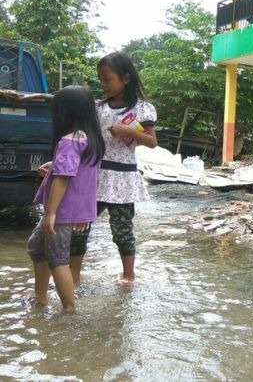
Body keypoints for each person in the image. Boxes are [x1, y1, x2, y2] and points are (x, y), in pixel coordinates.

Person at [69, 52, 158, 285]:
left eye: (107, 79)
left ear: (126, 78)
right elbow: (87, 139)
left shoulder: (142, 108)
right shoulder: (99, 109)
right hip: (95, 175)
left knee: (122, 230)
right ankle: (73, 275)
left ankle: (129, 276)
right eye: (101, 79)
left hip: (123, 179)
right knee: (80, 225)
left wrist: (129, 131)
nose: (103, 84)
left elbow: (151, 142)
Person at [27, 85, 105, 310]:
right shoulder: (90, 140)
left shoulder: (69, 141)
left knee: (58, 259)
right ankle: (40, 297)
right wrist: (54, 165)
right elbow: (88, 177)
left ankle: (70, 310)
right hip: (72, 209)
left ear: (64, 112)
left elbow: (64, 178)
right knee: (37, 248)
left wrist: (50, 212)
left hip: (61, 210)